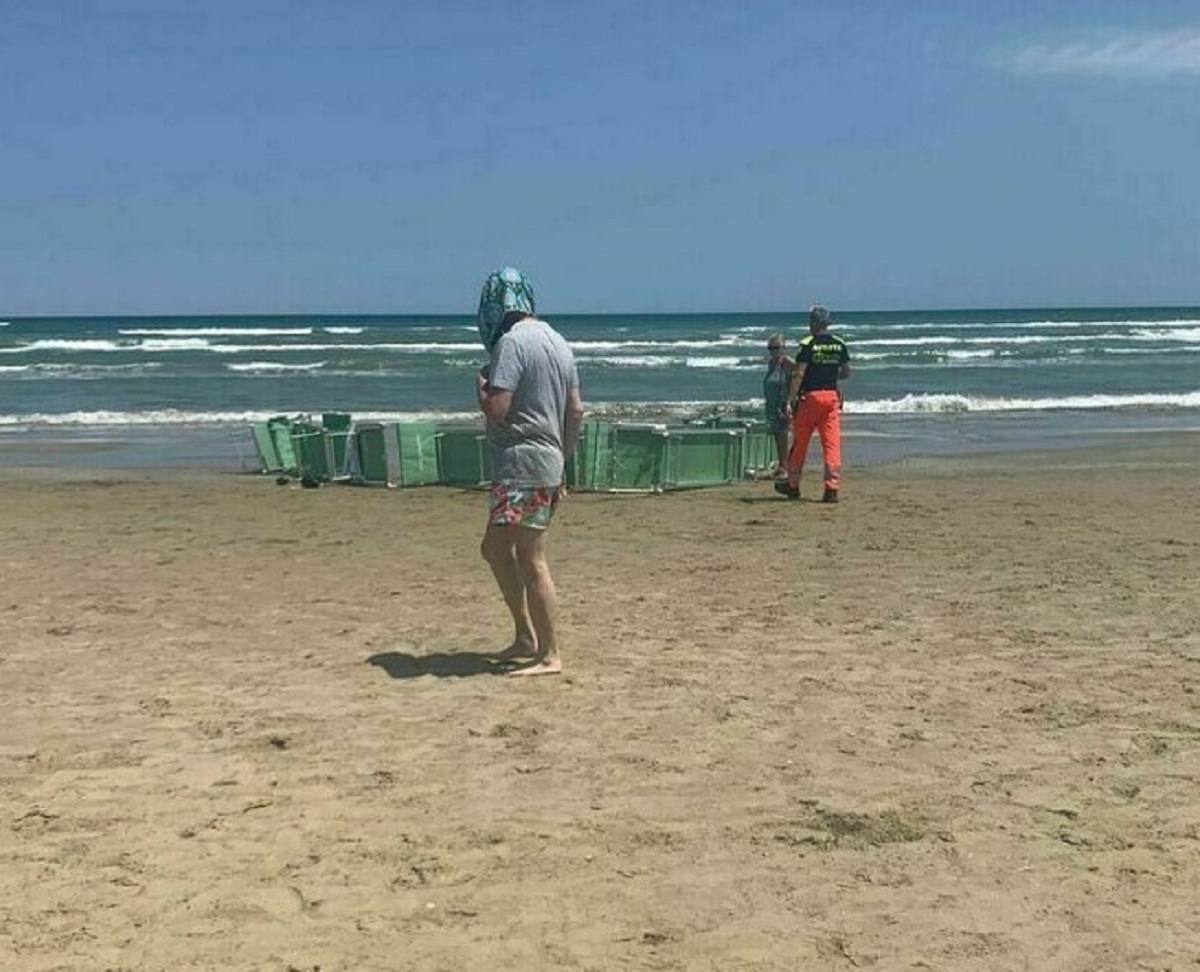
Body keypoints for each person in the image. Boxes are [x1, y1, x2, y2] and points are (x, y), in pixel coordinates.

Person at [475, 267, 585, 676]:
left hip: (521, 463)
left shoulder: (511, 344)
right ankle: (525, 635)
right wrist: (563, 461)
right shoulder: (559, 343)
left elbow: (499, 410)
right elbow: (575, 410)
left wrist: (481, 391)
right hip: (546, 462)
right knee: (494, 549)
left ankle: (549, 653)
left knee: (530, 556)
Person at [775, 304, 851, 503]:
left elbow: (799, 373)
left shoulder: (808, 344)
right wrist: (829, 374)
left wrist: (789, 399)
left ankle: (792, 485)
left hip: (810, 398)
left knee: (800, 443)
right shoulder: (839, 343)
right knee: (832, 444)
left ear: (814, 323)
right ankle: (831, 488)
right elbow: (845, 372)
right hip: (831, 398)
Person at [762, 333, 794, 478]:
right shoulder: (771, 363)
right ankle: (781, 465)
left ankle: (785, 467)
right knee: (776, 434)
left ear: (783, 348)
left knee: (782, 435)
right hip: (771, 403)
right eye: (770, 348)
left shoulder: (786, 362)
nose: (773, 351)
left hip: (781, 403)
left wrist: (787, 401)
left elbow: (799, 376)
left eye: (776, 348)